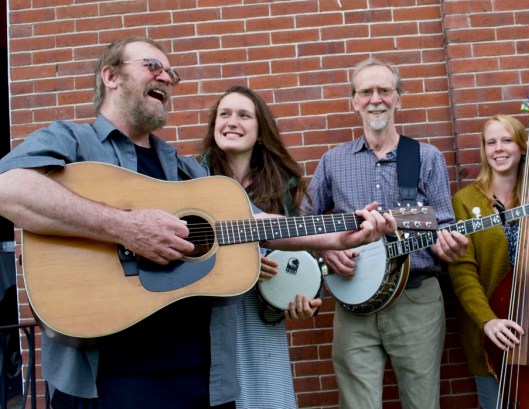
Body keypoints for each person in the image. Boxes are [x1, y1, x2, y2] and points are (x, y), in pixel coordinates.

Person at [0, 37, 394, 409]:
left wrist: (334, 236)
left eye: (171, 74)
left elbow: (253, 221)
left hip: (201, 380)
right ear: (111, 75)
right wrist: (123, 227)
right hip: (109, 378)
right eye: (153, 65)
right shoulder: (71, 140)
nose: (166, 78)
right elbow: (9, 189)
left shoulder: (185, 169)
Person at [303, 58, 470, 409]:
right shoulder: (333, 161)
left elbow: (443, 227)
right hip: (354, 303)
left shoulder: (426, 157)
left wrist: (450, 247)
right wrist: (324, 251)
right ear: (354, 101)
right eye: (366, 91)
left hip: (416, 301)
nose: (375, 98)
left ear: (398, 98)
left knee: (422, 403)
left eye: (384, 90)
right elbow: (304, 222)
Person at [199, 85, 321, 408]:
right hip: (207, 317)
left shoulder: (281, 184)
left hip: (259, 316)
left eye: (243, 115)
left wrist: (302, 297)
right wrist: (245, 259)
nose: (231, 122)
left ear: (261, 131)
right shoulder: (193, 178)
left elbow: (298, 256)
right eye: (224, 114)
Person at [448, 114, 529, 409]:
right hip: (491, 334)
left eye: (507, 140)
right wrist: (488, 321)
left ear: (523, 147)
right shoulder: (465, 200)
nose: (499, 148)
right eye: (491, 142)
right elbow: (462, 271)